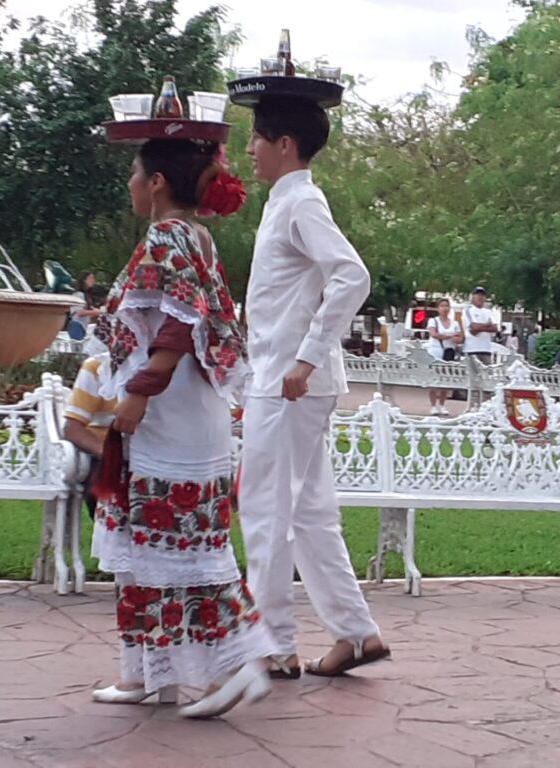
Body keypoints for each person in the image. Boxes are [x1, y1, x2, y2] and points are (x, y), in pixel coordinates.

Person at [89, 133, 271, 719]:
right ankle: (148, 674)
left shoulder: (168, 235)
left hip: (173, 415)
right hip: (189, 413)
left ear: (158, 182)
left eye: (135, 175)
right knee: (151, 547)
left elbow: (176, 319)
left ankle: (241, 666)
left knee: (187, 551)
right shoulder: (196, 236)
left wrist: (140, 392)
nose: (129, 186)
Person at [232, 92, 391, 680]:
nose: (247, 149)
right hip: (290, 379)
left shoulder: (301, 203)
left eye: (255, 138)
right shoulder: (287, 203)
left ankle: (272, 642)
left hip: (289, 382)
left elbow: (352, 274)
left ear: (284, 144)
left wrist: (304, 357)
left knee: (267, 511)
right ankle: (355, 632)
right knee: (307, 514)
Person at [62, 354, 117, 520]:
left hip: (161, 453)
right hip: (106, 452)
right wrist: (112, 455)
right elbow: (73, 428)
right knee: (103, 489)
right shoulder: (97, 367)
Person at [426, 297, 463, 415]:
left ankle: (442, 404)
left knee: (446, 379)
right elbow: (434, 334)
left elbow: (460, 338)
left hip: (449, 352)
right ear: (438, 308)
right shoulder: (433, 321)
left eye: (446, 306)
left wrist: (451, 336)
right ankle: (433, 405)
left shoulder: (455, 323)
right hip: (435, 351)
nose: (444, 308)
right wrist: (450, 336)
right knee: (433, 379)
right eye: (442, 306)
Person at [462, 287, 497, 364]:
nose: (480, 297)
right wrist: (487, 325)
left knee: (487, 374)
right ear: (473, 297)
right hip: (471, 349)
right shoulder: (467, 311)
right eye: (477, 294)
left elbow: (495, 328)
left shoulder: (489, 312)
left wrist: (479, 328)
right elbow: (473, 328)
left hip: (486, 349)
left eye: (482, 295)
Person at [68, 271, 103, 339]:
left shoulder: (86, 295)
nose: (93, 280)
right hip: (77, 326)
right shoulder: (78, 294)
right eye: (90, 278)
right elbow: (80, 312)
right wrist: (96, 312)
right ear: (84, 280)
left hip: (82, 326)